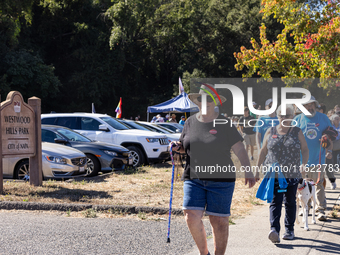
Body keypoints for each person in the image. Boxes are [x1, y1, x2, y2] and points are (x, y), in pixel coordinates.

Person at [171, 84, 256, 255]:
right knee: (190, 215)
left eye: (209, 99)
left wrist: (248, 170)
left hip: (221, 180)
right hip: (193, 177)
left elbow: (239, 149)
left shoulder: (224, 123)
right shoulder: (189, 122)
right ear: (197, 102)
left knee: (219, 222)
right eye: (202, 99)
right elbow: (185, 147)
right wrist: (177, 147)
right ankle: (204, 253)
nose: (205, 102)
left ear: (215, 102)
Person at [256, 104, 309, 242]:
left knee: (290, 201)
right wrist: (257, 168)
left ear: (292, 117)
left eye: (287, 115)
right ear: (278, 116)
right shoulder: (270, 130)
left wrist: (304, 164)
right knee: (275, 201)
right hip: (274, 173)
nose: (284, 118)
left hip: (291, 173)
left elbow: (305, 149)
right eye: (281, 115)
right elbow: (263, 151)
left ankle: (289, 230)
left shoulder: (297, 131)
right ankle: (274, 230)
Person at [294, 95, 333, 221]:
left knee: (319, 184)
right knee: (303, 185)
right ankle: (306, 207)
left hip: (319, 158)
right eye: (306, 105)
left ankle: (321, 210)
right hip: (302, 160)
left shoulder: (323, 118)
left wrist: (329, 150)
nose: (309, 107)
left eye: (311, 104)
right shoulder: (297, 119)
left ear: (315, 105)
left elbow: (330, 137)